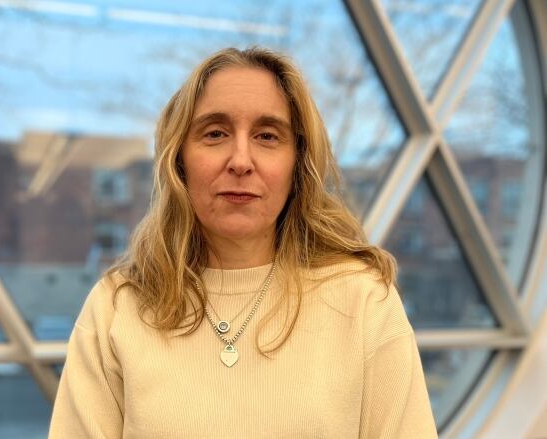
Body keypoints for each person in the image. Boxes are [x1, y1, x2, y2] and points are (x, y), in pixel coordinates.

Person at [48, 47, 437, 438]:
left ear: (297, 162)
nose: (240, 160)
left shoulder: (363, 300)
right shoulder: (118, 306)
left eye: (267, 136)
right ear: (179, 159)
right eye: (215, 133)